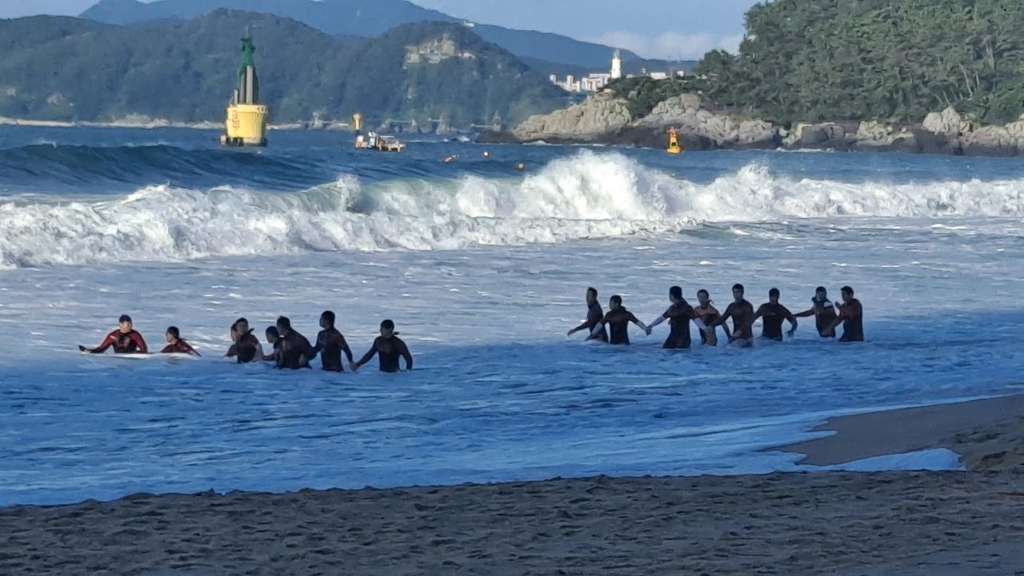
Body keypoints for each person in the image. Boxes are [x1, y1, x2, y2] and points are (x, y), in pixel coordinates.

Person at [80, 314, 148, 354]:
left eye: (131, 323)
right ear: (121, 325)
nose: (130, 325)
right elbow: (102, 348)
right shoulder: (113, 335)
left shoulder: (135, 335)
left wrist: (134, 354)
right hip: (118, 360)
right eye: (128, 324)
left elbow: (144, 350)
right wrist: (90, 351)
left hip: (132, 360)